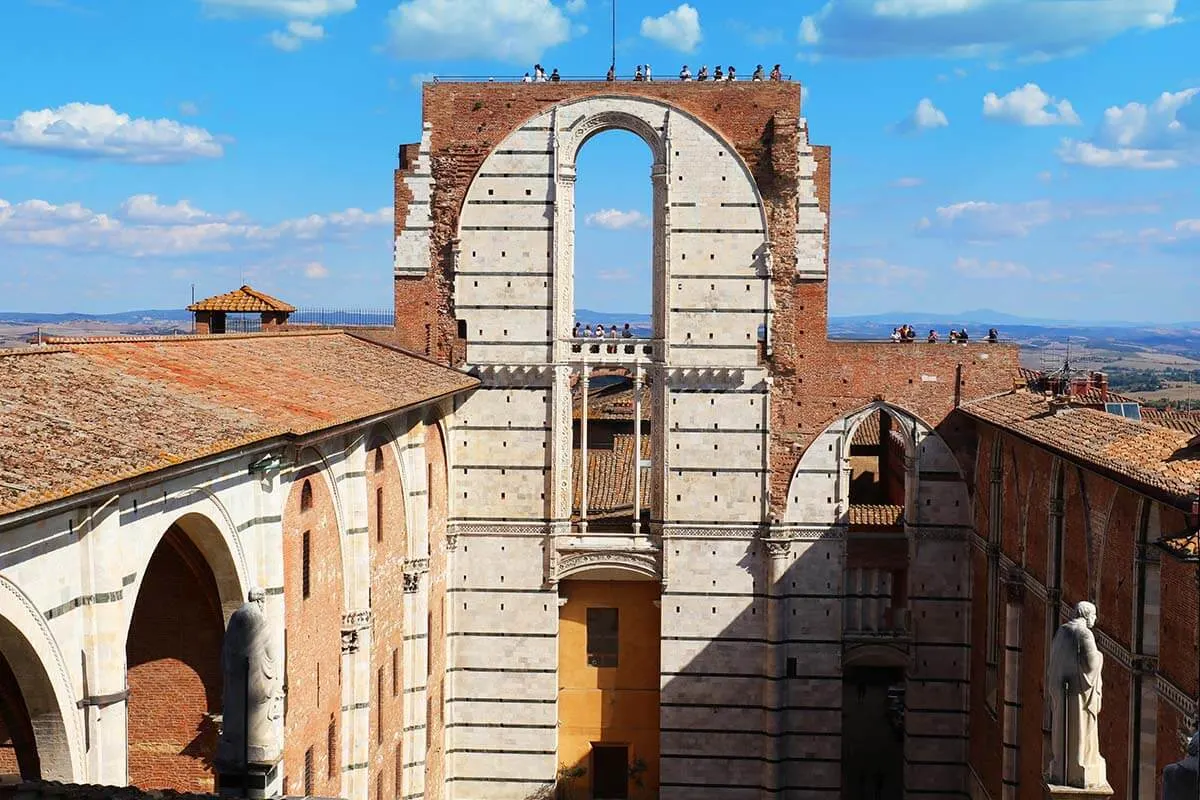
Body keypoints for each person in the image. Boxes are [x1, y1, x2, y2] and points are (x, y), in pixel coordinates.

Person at [1046, 601, 1107, 788]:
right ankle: (1080, 766)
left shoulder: (1062, 631)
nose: (1095, 619)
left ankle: (1062, 763)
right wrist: (1101, 657)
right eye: (1094, 615)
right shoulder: (1084, 634)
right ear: (1087, 615)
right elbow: (1091, 664)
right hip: (1078, 699)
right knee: (1080, 733)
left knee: (1063, 732)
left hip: (1061, 695)